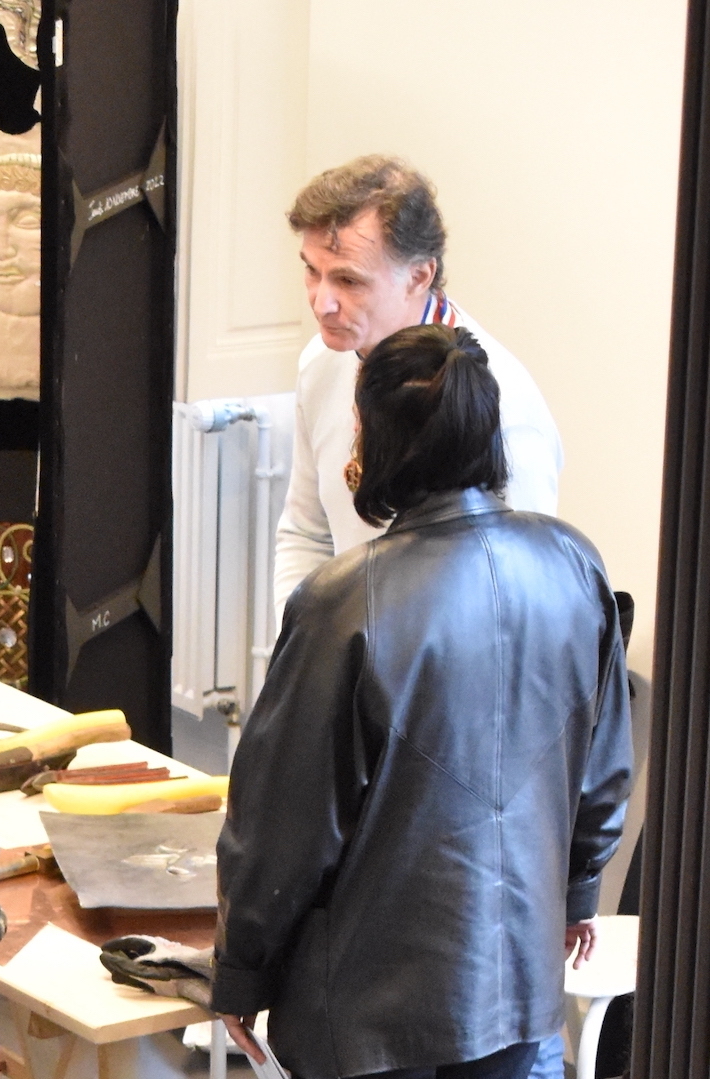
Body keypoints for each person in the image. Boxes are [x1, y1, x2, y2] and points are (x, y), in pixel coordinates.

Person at [213, 324, 633, 1079]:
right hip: (521, 985)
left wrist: (242, 967)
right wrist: (578, 891)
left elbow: (284, 821)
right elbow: (602, 767)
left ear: (374, 436)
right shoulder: (574, 563)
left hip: (369, 1008)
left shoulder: (343, 600)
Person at [273, 155, 562, 611]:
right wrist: (298, 642)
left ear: (419, 276)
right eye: (312, 270)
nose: (321, 302)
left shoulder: (501, 405)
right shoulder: (321, 361)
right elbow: (308, 535)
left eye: (348, 279)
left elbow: (522, 598)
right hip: (346, 644)